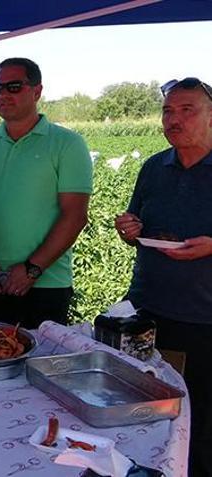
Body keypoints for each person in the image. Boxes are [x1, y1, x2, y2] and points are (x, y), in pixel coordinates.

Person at [115, 77, 212, 477]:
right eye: (168, 111)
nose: (174, 119)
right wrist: (130, 230)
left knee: (201, 421)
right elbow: (139, 228)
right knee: (144, 407)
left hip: (203, 320)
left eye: (187, 110)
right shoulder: (154, 167)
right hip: (148, 310)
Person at [0, 58, 92, 329]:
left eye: (14, 87)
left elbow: (75, 215)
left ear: (37, 91)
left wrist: (32, 269)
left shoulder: (67, 144)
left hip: (46, 285)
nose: (4, 95)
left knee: (40, 366)